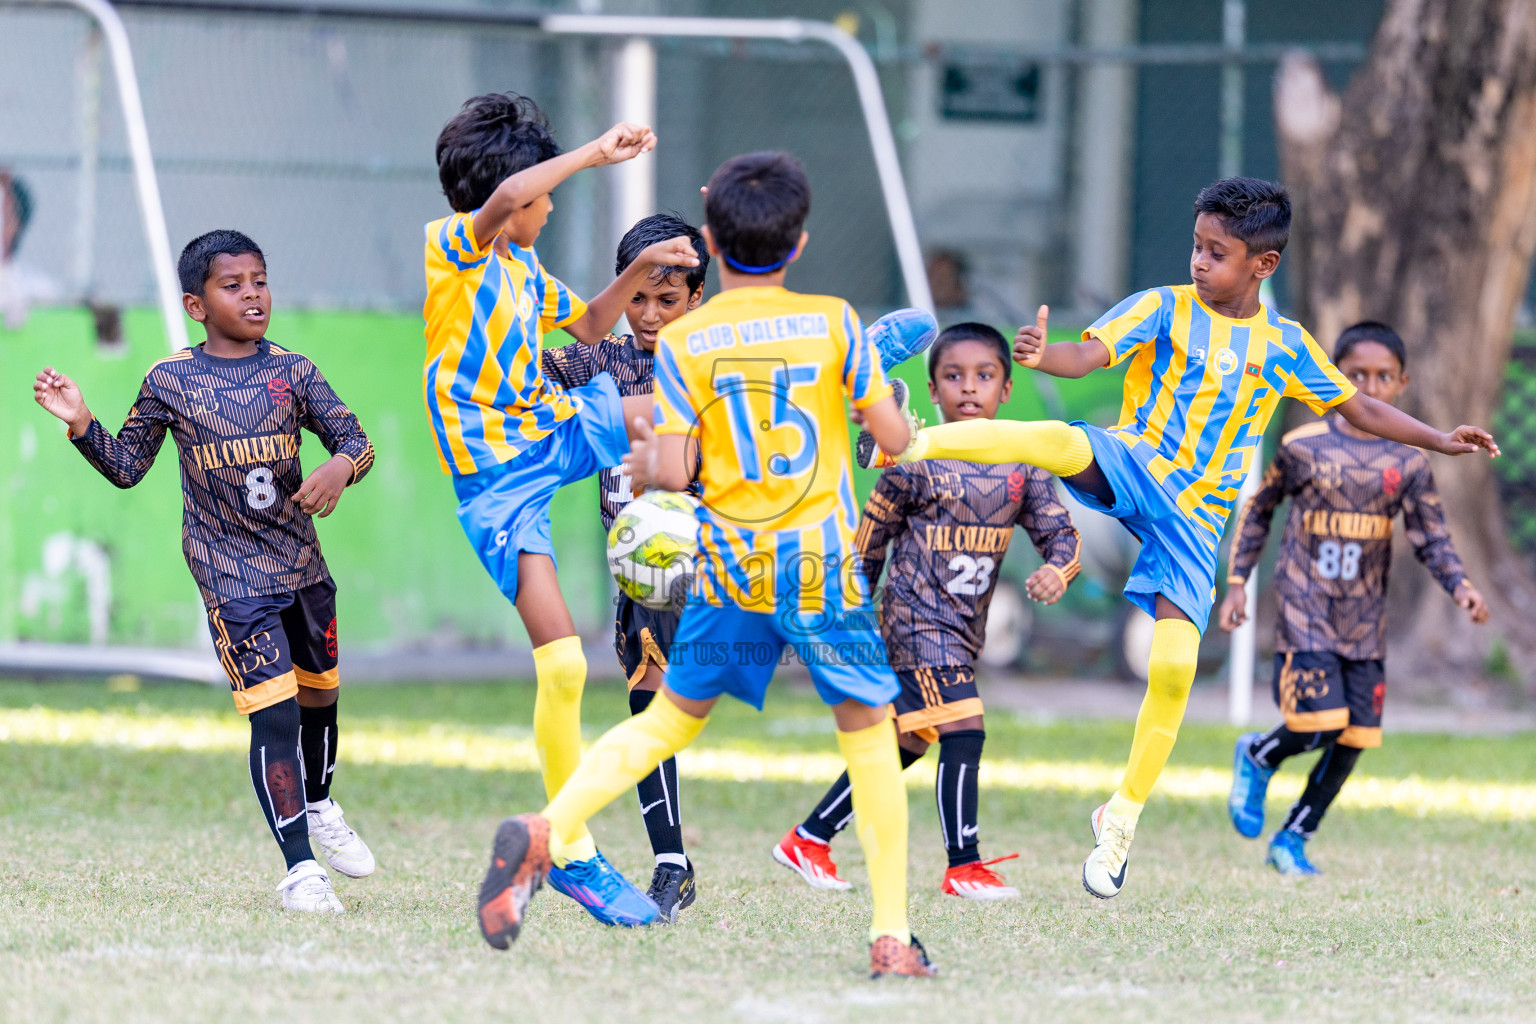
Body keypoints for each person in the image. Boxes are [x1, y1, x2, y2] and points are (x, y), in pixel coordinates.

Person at [859, 177, 1500, 900]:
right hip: (1136, 462)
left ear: (1263, 265)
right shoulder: (1162, 307)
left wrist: (1440, 441)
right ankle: (903, 440)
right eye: (1197, 246)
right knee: (1049, 440)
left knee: (1172, 672)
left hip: (1195, 527)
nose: (1199, 262)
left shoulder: (1285, 345)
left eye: (1217, 253)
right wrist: (1043, 356)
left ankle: (1121, 816)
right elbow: (1090, 355)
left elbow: (1361, 408)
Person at [475, 150, 937, 979]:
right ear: (798, 242)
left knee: (665, 721)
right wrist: (890, 410)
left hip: (724, 564)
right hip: (816, 568)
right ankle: (893, 935)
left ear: (711, 248)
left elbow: (675, 470)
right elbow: (894, 445)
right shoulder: (834, 321)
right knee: (871, 735)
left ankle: (547, 832)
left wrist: (656, 476)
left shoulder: (690, 340)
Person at [32, 230, 377, 913]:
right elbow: (128, 467)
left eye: (259, 280)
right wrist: (81, 424)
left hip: (304, 569)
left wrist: (340, 467)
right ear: (196, 304)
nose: (252, 294)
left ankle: (318, 803)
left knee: (320, 702)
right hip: (230, 577)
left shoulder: (295, 372)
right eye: (233, 284)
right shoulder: (171, 381)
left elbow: (356, 440)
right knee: (272, 717)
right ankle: (301, 872)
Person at [424, 93, 699, 927]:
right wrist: (593, 153)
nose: (546, 210)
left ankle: (715, 520)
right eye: (546, 196)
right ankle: (570, 852)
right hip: (498, 481)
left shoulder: (523, 270)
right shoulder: (457, 249)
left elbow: (584, 327)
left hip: (552, 431)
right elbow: (505, 200)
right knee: (566, 666)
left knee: (665, 408)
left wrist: (641, 271)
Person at [774, 323, 1081, 901]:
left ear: (1007, 390)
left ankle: (809, 838)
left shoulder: (1025, 467)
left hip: (964, 632)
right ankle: (963, 866)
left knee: (908, 741)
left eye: (984, 376)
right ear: (933, 392)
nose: (969, 389)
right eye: (953, 377)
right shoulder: (912, 461)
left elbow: (1062, 538)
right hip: (911, 621)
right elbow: (867, 545)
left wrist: (1056, 570)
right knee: (964, 726)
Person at [1220, 321, 1490, 875]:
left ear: (1402, 382)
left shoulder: (1409, 461)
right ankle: (1259, 753)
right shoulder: (1302, 446)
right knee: (1315, 723)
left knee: (1355, 734)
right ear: (1332, 378)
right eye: (1355, 375)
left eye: (1382, 376)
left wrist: (1461, 586)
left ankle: (1293, 837)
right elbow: (1258, 511)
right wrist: (1238, 583)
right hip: (1304, 609)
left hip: (1364, 621)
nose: (1369, 385)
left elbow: (1430, 535)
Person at [539, 212, 711, 923]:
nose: (647, 315)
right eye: (636, 295)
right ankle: (671, 861)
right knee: (649, 697)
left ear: (697, 298)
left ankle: (824, 834)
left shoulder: (716, 358)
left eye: (666, 299)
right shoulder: (598, 361)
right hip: (646, 576)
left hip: (729, 561)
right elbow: (520, 363)